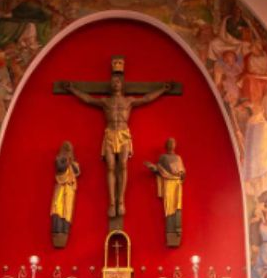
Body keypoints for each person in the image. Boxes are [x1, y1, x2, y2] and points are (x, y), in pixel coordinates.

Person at [66, 62, 169, 219]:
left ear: (122, 85)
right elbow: (88, 99)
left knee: (123, 165)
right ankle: (112, 203)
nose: (116, 83)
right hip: (110, 133)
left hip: (123, 134)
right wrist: (73, 89)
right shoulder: (105, 101)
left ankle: (121, 201)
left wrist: (162, 89)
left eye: (118, 81)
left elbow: (147, 98)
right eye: (113, 81)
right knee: (110, 167)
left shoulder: (128, 101)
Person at [145, 138, 186, 247]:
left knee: (177, 207)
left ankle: (177, 230)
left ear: (175, 145)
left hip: (177, 184)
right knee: (169, 207)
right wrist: (153, 168)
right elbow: (159, 170)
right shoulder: (163, 157)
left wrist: (182, 174)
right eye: (169, 142)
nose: (171, 144)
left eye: (173, 143)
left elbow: (183, 172)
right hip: (168, 184)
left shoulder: (178, 157)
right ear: (166, 145)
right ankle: (170, 233)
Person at [50, 141, 80, 248]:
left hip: (69, 189)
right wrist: (67, 161)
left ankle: (64, 230)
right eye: (66, 150)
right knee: (57, 208)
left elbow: (77, 171)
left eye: (69, 151)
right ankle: (56, 230)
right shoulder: (59, 159)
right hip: (60, 187)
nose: (67, 152)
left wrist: (71, 162)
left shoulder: (73, 163)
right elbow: (60, 167)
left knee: (67, 211)